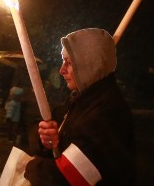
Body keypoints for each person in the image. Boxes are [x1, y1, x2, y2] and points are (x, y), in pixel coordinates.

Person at [24, 28, 135, 185]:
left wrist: (29, 167)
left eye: (68, 63)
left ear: (89, 65)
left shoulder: (107, 113)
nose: (62, 70)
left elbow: (67, 177)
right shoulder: (81, 100)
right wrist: (44, 139)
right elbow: (45, 125)